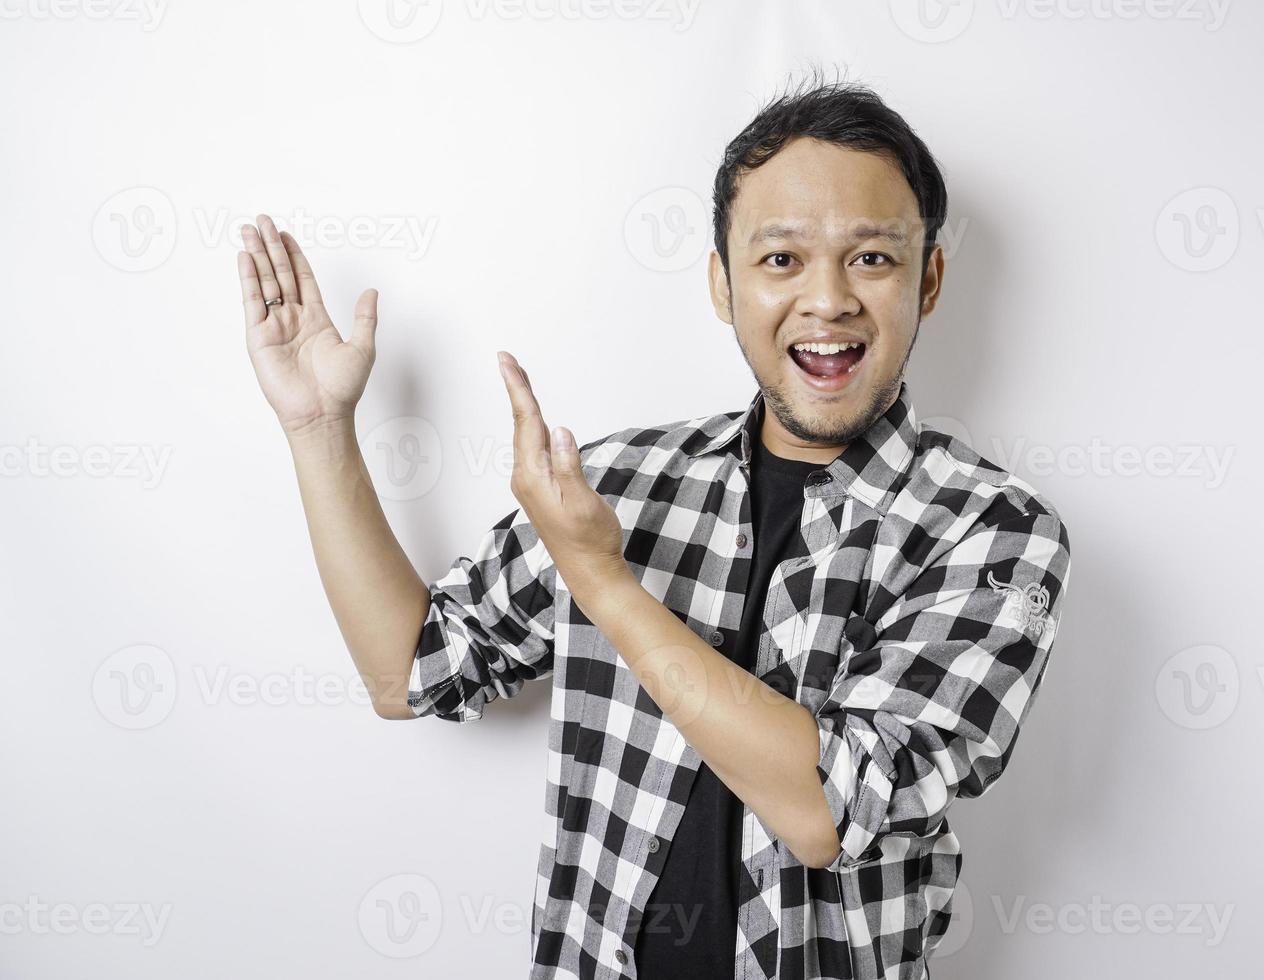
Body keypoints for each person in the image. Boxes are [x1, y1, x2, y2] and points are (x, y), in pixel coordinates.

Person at [236, 71, 1072, 980]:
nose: (828, 300)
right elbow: (413, 675)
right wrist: (319, 429)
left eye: (871, 258)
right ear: (723, 282)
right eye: (781, 259)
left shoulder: (995, 535)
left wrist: (602, 580)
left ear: (931, 277)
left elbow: (833, 811)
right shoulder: (620, 484)